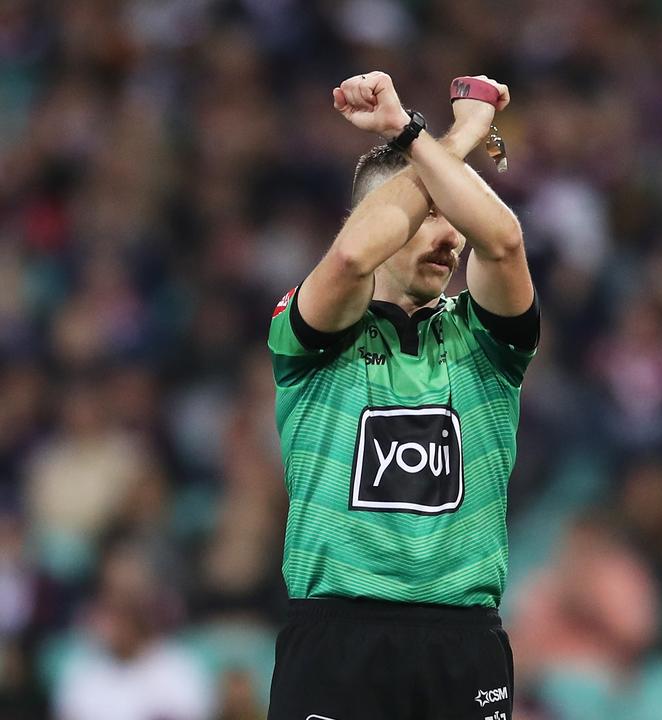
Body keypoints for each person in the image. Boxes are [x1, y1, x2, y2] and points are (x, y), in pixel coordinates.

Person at [265, 71, 536, 719]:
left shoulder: (488, 341)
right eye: (429, 217)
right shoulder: (309, 336)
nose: (452, 236)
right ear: (373, 220)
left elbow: (503, 239)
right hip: (336, 637)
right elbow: (355, 259)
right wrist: (461, 134)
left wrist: (414, 135)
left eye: (455, 216)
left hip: (462, 642)